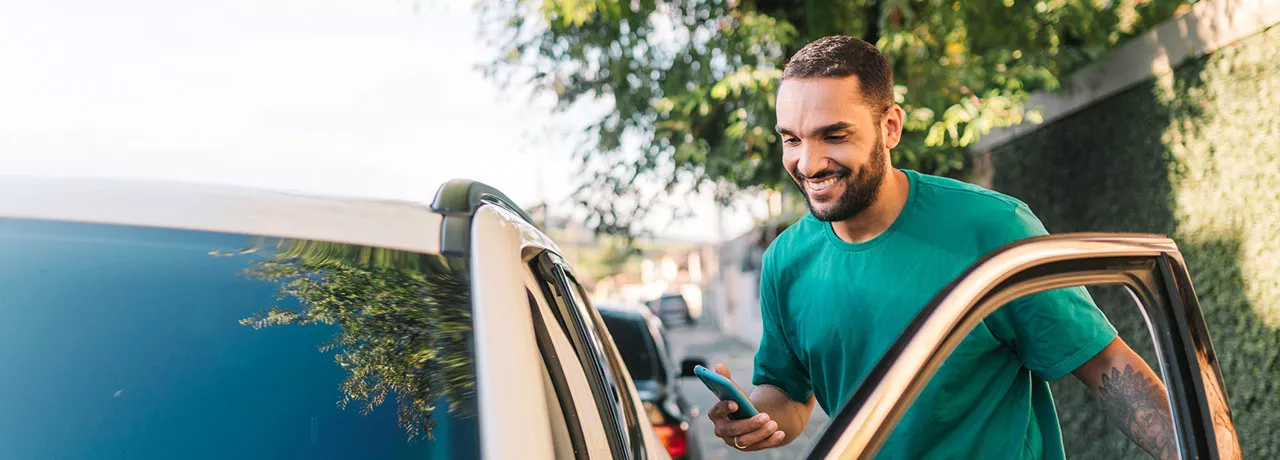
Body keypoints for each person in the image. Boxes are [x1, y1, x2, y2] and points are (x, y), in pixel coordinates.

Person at [706, 35, 1177, 460]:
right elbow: (787, 399)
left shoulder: (991, 229)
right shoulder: (785, 261)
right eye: (792, 139)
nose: (807, 163)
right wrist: (754, 421)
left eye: (835, 135)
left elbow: (1106, 365)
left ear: (890, 127)